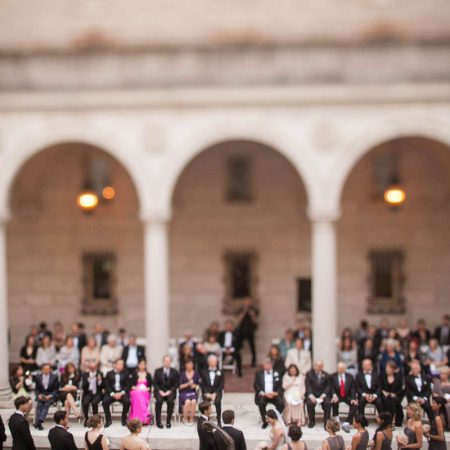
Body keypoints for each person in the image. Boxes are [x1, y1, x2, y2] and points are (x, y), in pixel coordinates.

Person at [254, 358, 284, 429]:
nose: (267, 365)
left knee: (281, 404)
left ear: (271, 365)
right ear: (263, 365)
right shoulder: (258, 373)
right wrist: (263, 393)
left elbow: (280, 385)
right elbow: (256, 385)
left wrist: (276, 393)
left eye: (269, 363)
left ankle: (274, 418)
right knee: (261, 403)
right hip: (264, 394)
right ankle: (265, 421)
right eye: (265, 364)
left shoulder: (277, 373)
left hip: (274, 394)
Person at [102, 359, 130, 427]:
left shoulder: (126, 373)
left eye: (122, 364)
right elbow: (107, 386)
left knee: (127, 402)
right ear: (115, 365)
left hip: (122, 393)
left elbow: (128, 385)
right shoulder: (109, 373)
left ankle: (123, 419)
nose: (121, 366)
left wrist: (121, 393)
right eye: (119, 364)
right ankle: (108, 420)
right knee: (105, 402)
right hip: (112, 393)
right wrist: (112, 394)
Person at [330, 362, 357, 433]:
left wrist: (353, 398)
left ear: (345, 369)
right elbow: (331, 387)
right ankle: (336, 419)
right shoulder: (333, 376)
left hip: (347, 395)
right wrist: (333, 394)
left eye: (341, 368)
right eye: (338, 368)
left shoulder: (350, 376)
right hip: (337, 395)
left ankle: (347, 422)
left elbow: (353, 388)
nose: (340, 369)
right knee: (334, 401)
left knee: (354, 404)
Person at [153, 355, 179, 429]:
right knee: (159, 401)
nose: (167, 363)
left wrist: (170, 391)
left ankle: (168, 421)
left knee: (170, 401)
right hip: (160, 391)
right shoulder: (157, 371)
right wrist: (159, 391)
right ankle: (158, 422)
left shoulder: (175, 371)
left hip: (170, 391)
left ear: (170, 362)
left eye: (168, 361)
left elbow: (176, 384)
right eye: (165, 361)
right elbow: (154, 383)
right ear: (163, 362)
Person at [305, 360, 331, 429]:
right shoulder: (309, 374)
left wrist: (324, 394)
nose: (318, 367)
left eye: (320, 366)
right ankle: (312, 421)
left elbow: (328, 386)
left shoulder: (327, 375)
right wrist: (311, 395)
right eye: (317, 366)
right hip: (313, 394)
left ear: (322, 367)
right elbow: (308, 385)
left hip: (322, 395)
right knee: (309, 403)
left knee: (328, 403)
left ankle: (326, 422)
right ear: (314, 366)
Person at [200, 354, 224, 427]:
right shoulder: (204, 372)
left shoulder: (220, 372)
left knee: (218, 402)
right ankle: (206, 420)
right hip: (207, 392)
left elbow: (221, 385)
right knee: (205, 403)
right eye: (212, 362)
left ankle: (219, 420)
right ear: (209, 362)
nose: (214, 363)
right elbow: (202, 384)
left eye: (215, 362)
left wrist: (215, 394)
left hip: (217, 392)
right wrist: (207, 393)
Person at [34, 363, 59, 430]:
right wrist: (38, 395)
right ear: (42, 370)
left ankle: (38, 421)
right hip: (41, 394)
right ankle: (39, 424)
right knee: (39, 405)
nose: (45, 370)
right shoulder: (38, 377)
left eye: (47, 369)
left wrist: (50, 395)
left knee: (46, 405)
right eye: (44, 369)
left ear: (50, 370)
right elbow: (36, 389)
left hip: (50, 395)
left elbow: (56, 389)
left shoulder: (54, 377)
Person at [128, 359, 153, 425]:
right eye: (141, 364)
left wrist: (147, 389)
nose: (142, 365)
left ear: (145, 365)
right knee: (137, 394)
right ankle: (141, 418)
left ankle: (143, 419)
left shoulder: (148, 375)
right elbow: (131, 386)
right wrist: (137, 388)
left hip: (145, 392)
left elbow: (150, 387)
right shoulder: (134, 374)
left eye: (143, 364)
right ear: (138, 365)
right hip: (135, 391)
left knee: (140, 396)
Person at [380, 360, 404, 426]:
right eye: (386, 368)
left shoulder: (398, 377)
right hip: (384, 395)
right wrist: (384, 392)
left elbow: (400, 389)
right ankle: (391, 420)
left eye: (388, 368)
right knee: (388, 399)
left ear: (393, 369)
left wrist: (394, 394)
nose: (386, 369)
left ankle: (389, 420)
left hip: (395, 395)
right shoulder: (383, 376)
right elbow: (380, 386)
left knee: (391, 399)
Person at [236, 297, 258, 367]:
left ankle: (253, 362)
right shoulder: (241, 309)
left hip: (250, 330)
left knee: (252, 347)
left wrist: (252, 314)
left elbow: (255, 321)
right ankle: (236, 360)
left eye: (249, 302)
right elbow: (238, 320)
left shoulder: (254, 309)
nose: (247, 303)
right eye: (246, 302)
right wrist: (244, 311)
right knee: (238, 345)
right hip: (241, 330)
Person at [81, 361, 104, 427]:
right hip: (88, 392)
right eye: (91, 367)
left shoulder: (100, 373)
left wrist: (99, 381)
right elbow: (83, 386)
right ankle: (86, 418)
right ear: (89, 368)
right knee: (85, 403)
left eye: (94, 367)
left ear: (96, 367)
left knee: (94, 403)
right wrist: (89, 380)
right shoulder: (85, 374)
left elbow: (103, 386)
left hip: (97, 393)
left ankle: (95, 420)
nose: (93, 369)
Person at [179, 358, 200, 426]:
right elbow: (180, 386)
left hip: (193, 392)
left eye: (191, 364)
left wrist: (195, 386)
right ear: (185, 365)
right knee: (187, 402)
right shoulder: (182, 374)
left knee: (193, 401)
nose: (189, 365)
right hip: (184, 392)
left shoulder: (196, 373)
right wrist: (188, 384)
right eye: (188, 364)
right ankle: (185, 418)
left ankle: (191, 418)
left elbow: (199, 385)